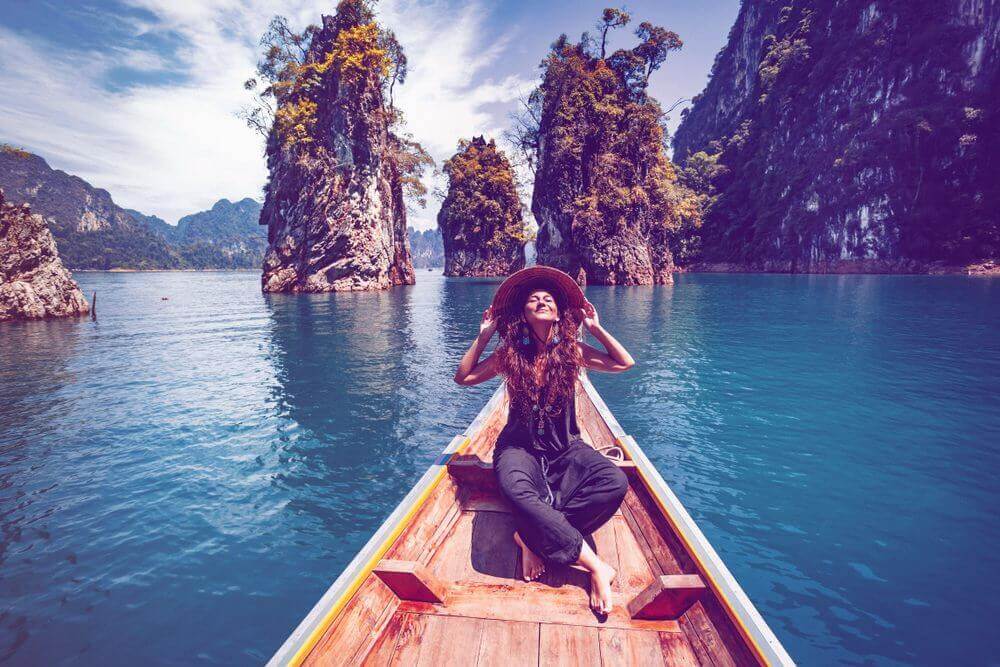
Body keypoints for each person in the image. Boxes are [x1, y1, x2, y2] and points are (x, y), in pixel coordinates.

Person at [453, 266, 636, 615]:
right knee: (517, 489)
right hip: (518, 449)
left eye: (548, 299)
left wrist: (596, 328)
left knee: (613, 482)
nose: (540, 300)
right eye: (533, 299)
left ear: (557, 313)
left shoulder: (573, 351)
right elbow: (464, 378)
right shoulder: (510, 354)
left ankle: (529, 536)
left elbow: (624, 363)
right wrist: (483, 336)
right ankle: (596, 566)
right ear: (523, 312)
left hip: (565, 448)